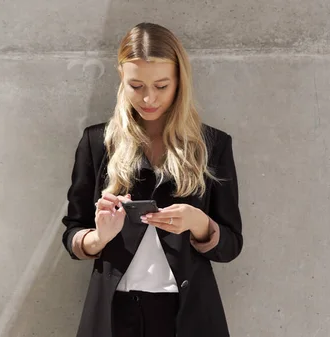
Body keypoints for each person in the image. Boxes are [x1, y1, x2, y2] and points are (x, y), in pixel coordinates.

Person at [61, 22, 243, 337]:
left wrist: (198, 222)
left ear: (179, 81)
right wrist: (100, 237)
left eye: (161, 86)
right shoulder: (96, 142)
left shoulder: (212, 145)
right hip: (114, 315)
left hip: (187, 315)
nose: (148, 99)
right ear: (121, 77)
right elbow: (73, 234)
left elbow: (231, 246)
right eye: (136, 86)